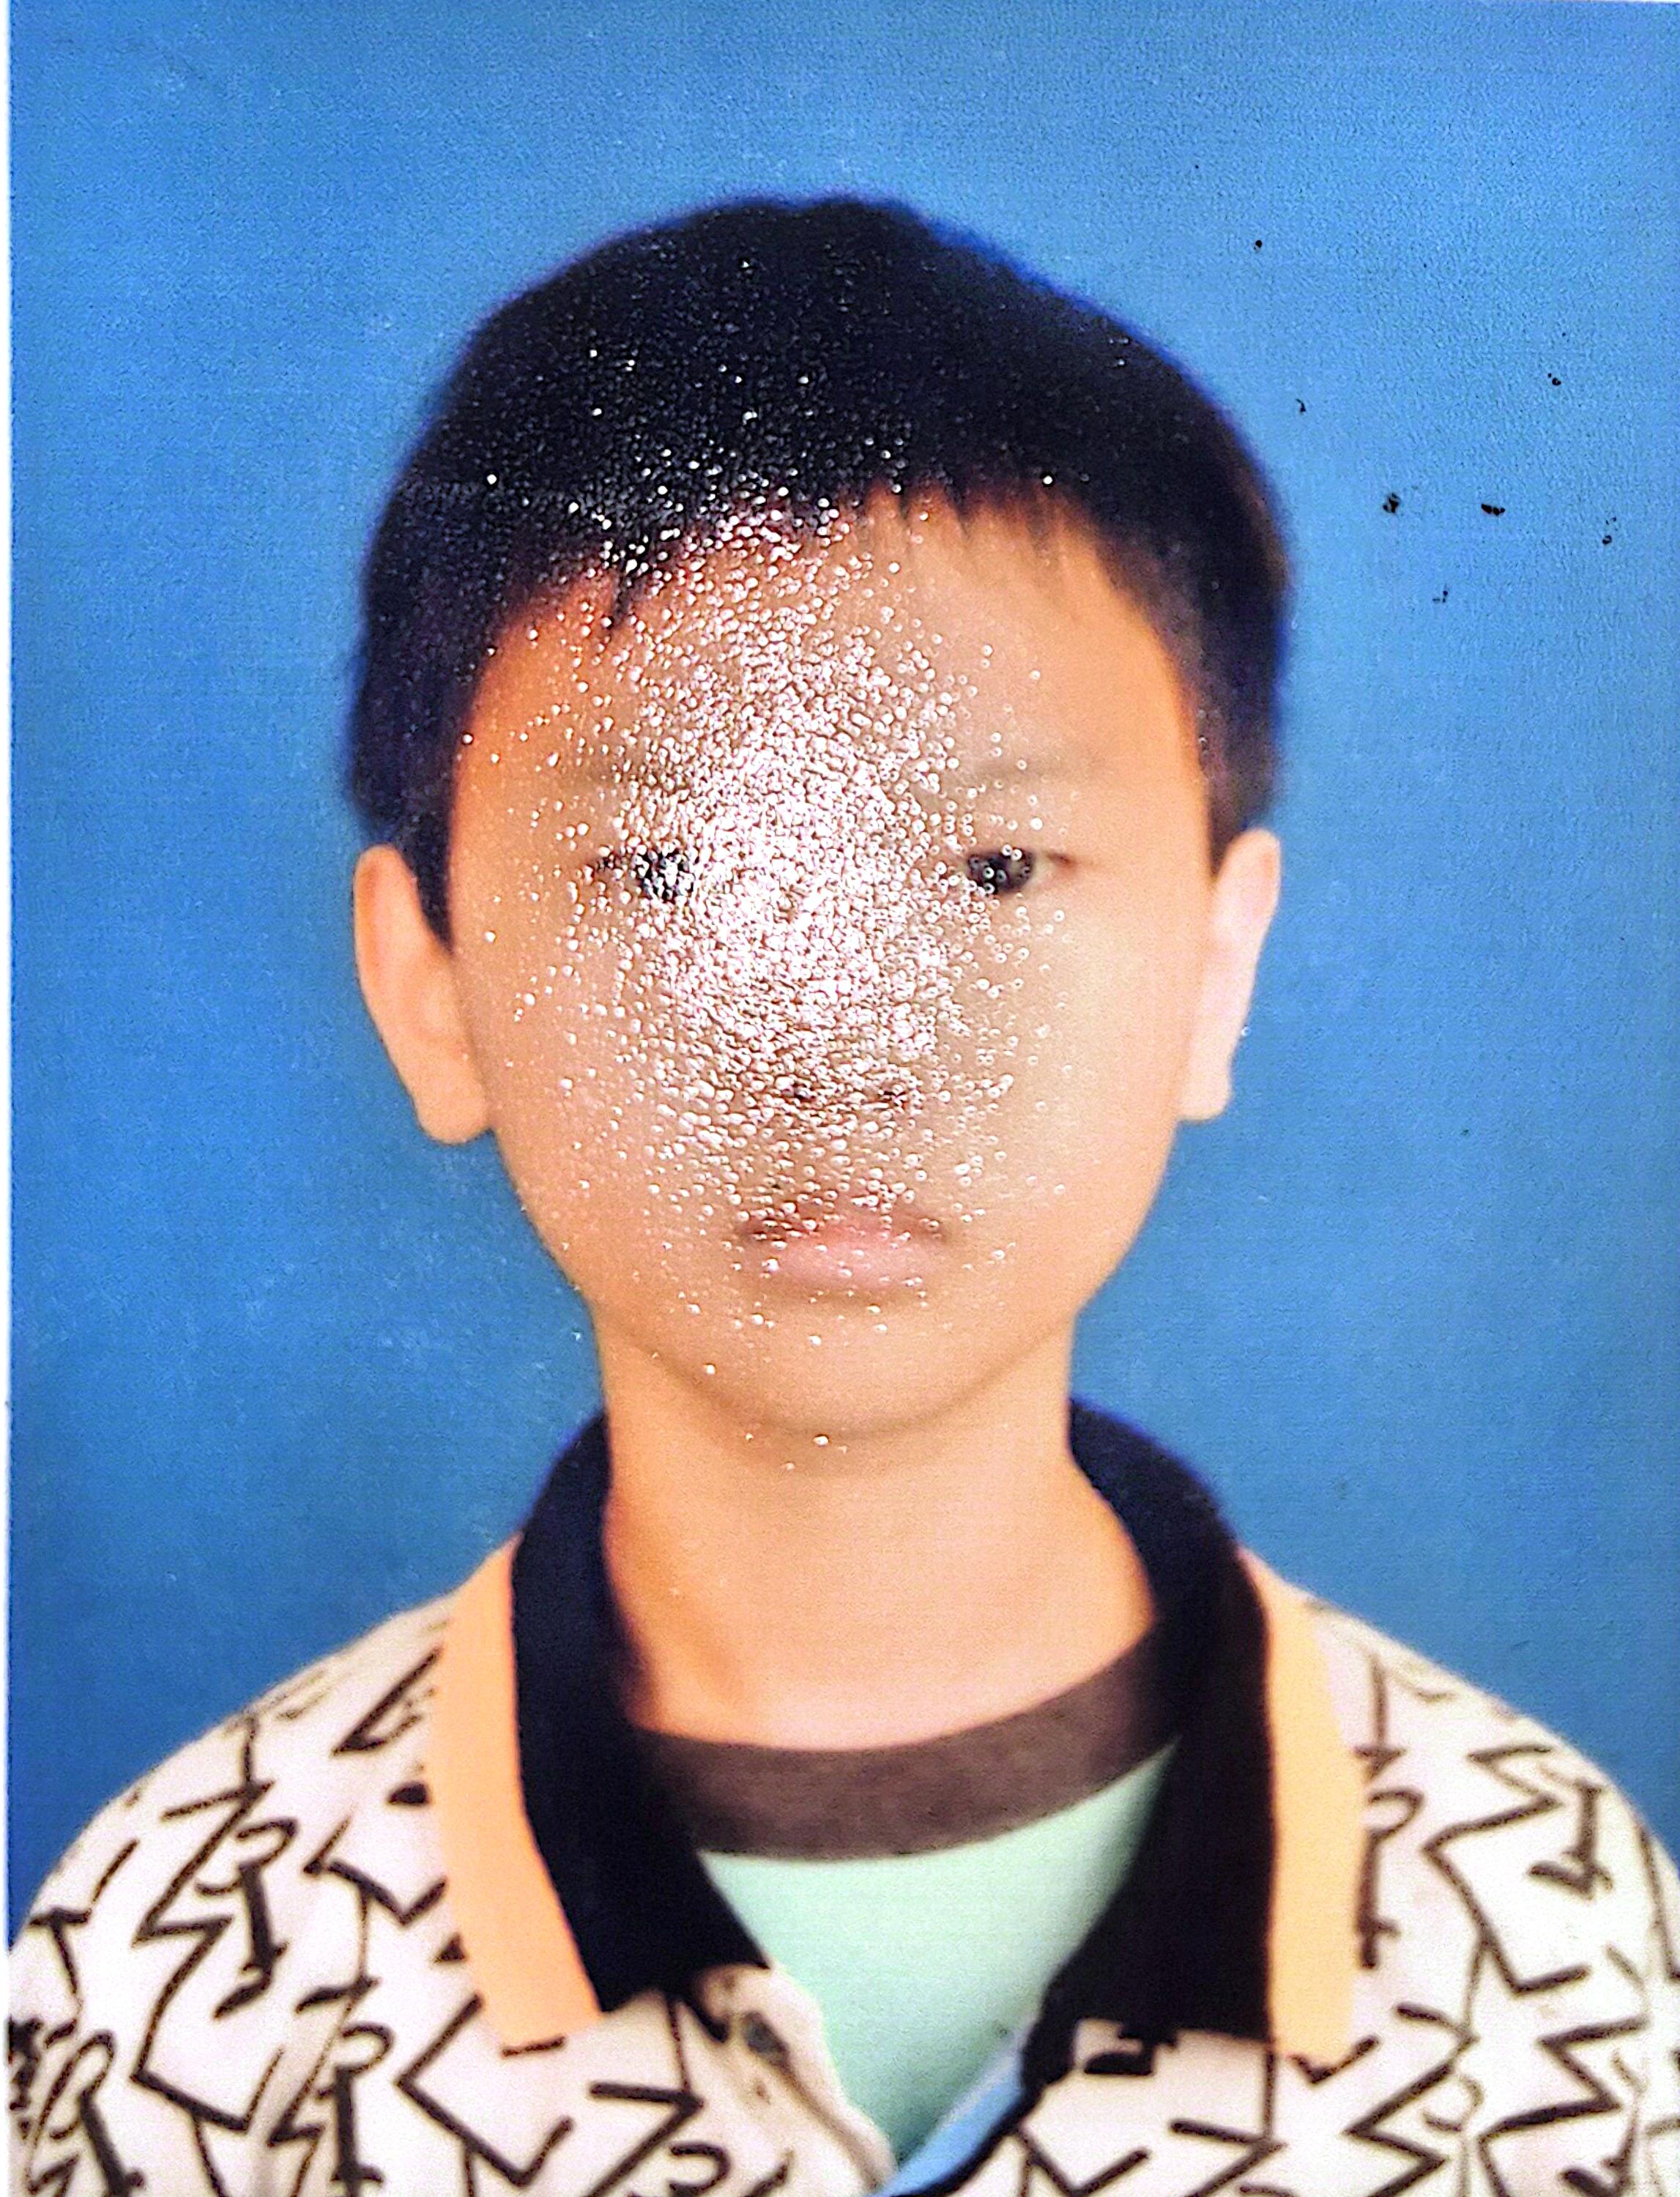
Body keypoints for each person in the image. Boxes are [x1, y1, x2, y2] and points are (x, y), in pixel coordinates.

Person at [11, 198, 1677, 2197]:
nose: (836, 1030)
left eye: (992, 869)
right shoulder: (182, 1964)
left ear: (1217, 969)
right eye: (666, 873)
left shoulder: (1552, 1936)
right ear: (427, 981)